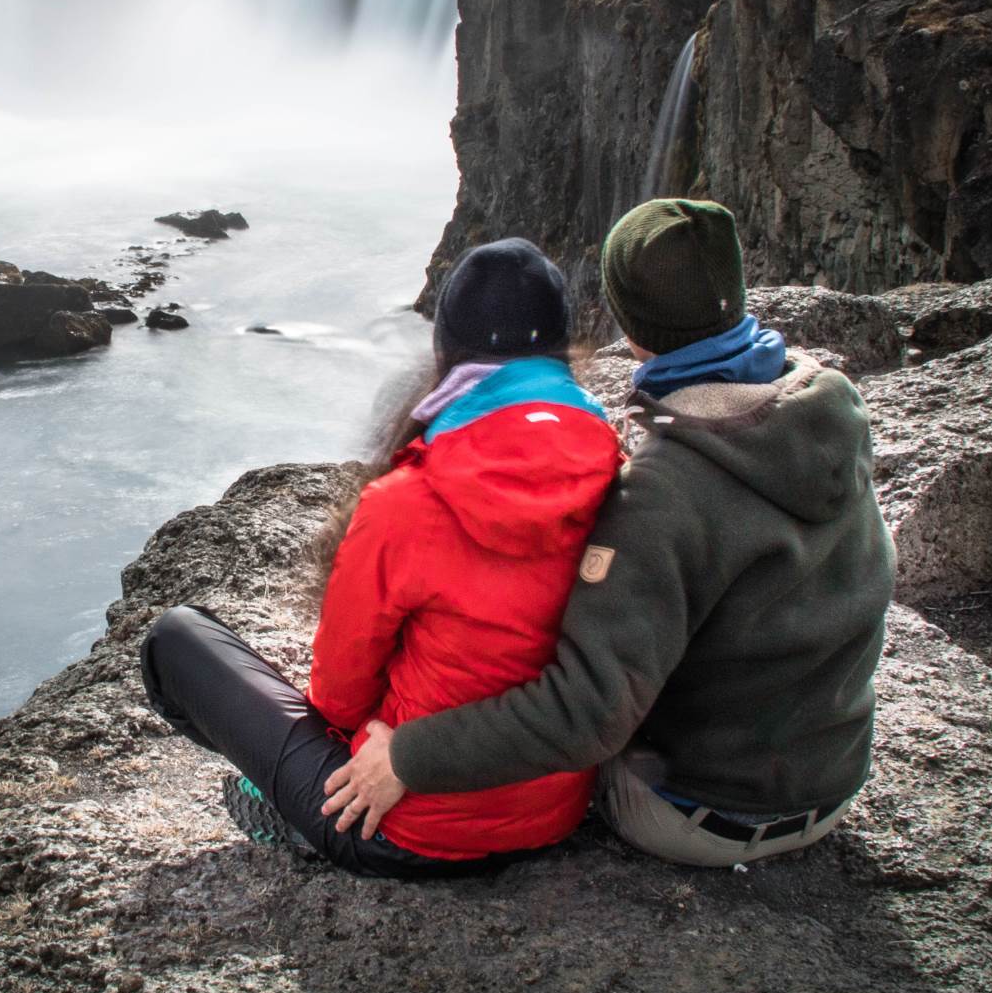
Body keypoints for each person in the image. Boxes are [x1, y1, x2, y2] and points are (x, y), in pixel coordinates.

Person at [322, 199, 897, 868]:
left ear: (632, 328)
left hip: (703, 814)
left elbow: (588, 713)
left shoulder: (664, 489)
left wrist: (409, 756)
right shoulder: (826, 405)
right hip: (832, 784)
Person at [139, 238, 623, 877]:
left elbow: (338, 699)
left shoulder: (409, 499)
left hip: (402, 826)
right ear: (563, 343)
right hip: (556, 811)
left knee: (176, 640)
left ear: (445, 348)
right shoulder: (615, 470)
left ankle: (286, 811)